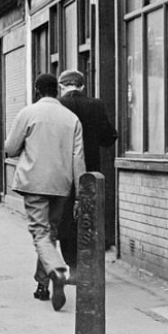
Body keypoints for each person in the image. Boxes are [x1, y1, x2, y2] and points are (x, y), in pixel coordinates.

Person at [5, 73, 85, 311]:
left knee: (41, 234)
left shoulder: (28, 113)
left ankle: (57, 271)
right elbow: (78, 159)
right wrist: (79, 194)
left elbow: (10, 148)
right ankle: (43, 285)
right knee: (49, 234)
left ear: (38, 91)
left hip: (34, 182)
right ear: (57, 91)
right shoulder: (72, 119)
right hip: (62, 185)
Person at [57, 69, 118, 271]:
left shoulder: (57, 106)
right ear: (82, 86)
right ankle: (89, 266)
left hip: (63, 174)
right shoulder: (96, 105)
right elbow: (109, 137)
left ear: (62, 87)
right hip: (90, 173)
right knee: (89, 219)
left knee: (66, 221)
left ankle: (72, 265)